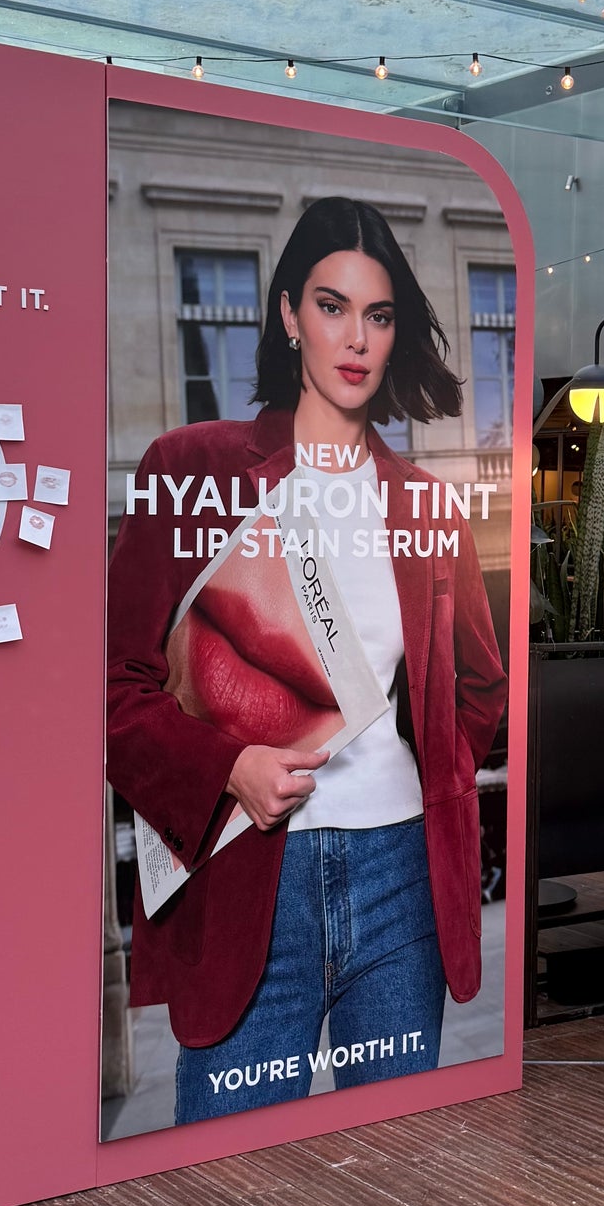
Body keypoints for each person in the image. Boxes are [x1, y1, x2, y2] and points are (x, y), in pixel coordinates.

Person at [107, 196, 506, 1124]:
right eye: (332, 307)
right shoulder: (193, 467)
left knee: (397, 1174)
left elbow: (480, 682)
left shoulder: (424, 505)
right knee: (229, 1195)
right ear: (289, 314)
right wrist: (228, 767)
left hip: (398, 876)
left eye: (378, 314)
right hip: (255, 879)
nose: (355, 338)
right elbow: (113, 689)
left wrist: (429, 772)